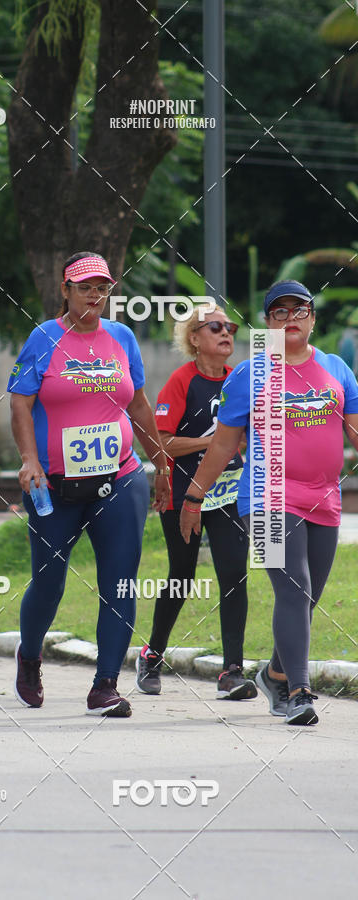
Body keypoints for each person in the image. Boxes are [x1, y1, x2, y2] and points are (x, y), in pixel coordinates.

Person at [180, 280, 358, 725]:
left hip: (324, 497)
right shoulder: (249, 375)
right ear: (268, 324)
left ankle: (276, 672)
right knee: (293, 587)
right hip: (265, 497)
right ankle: (299, 692)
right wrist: (193, 496)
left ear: (313, 319)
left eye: (300, 310)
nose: (291, 319)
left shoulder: (337, 368)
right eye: (280, 312)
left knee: (308, 595)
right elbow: (222, 447)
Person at [8, 252, 170, 717]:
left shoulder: (121, 337)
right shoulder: (44, 338)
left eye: (102, 287)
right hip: (54, 485)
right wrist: (29, 460)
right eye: (84, 287)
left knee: (120, 584)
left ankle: (105, 685)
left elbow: (138, 406)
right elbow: (20, 405)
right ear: (66, 290)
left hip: (119, 478)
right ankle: (30, 654)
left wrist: (159, 463)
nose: (94, 296)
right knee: (49, 582)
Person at [136, 305, 256, 701]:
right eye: (216, 327)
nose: (227, 333)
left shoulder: (240, 380)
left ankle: (232, 670)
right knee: (183, 574)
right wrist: (216, 441)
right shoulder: (181, 381)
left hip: (227, 493)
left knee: (234, 574)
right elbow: (162, 440)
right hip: (183, 494)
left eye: (231, 327)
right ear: (194, 338)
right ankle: (152, 655)